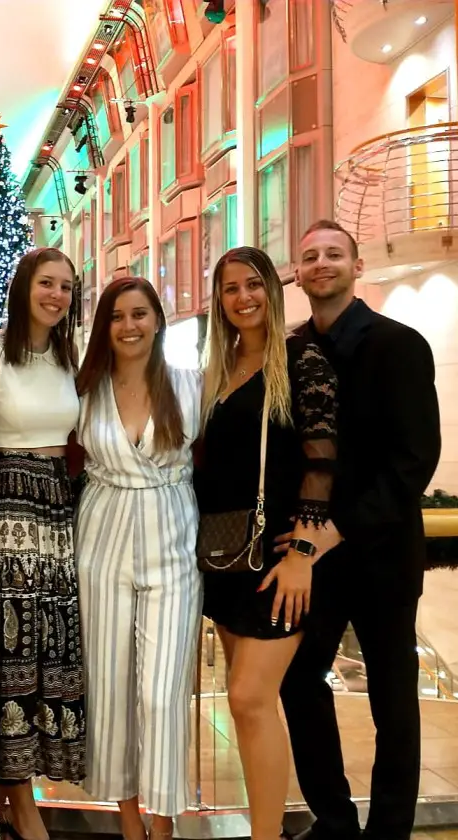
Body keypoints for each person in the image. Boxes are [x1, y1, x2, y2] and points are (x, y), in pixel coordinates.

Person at [279, 220, 441, 840]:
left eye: (333, 254)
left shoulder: (399, 345)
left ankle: (391, 829)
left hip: (380, 554)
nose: (321, 263)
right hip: (316, 559)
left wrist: (338, 529)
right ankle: (336, 820)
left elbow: (414, 462)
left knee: (393, 702)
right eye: (310, 255)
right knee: (298, 681)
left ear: (356, 264)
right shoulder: (292, 351)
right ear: (298, 271)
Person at [195, 246, 341, 840]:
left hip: (278, 560)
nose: (243, 298)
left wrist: (304, 552)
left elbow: (324, 460)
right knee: (251, 704)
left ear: (273, 290)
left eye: (252, 285)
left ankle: (264, 836)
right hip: (225, 557)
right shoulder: (221, 367)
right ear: (219, 302)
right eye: (230, 289)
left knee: (250, 698)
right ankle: (266, 831)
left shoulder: (302, 360)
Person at [74, 276, 203, 840]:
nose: (129, 326)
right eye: (117, 316)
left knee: (162, 689)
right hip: (101, 539)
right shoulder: (85, 387)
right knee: (109, 685)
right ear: (105, 325)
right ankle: (128, 822)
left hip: (172, 538)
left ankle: (164, 822)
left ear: (158, 319)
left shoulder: (190, 382)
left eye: (139, 314)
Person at [0, 247, 85, 840]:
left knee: (46, 656)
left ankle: (15, 802)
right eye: (46, 283)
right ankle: (22, 810)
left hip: (59, 512)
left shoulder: (72, 357)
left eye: (66, 286)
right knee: (11, 656)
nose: (56, 295)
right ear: (23, 286)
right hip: (7, 512)